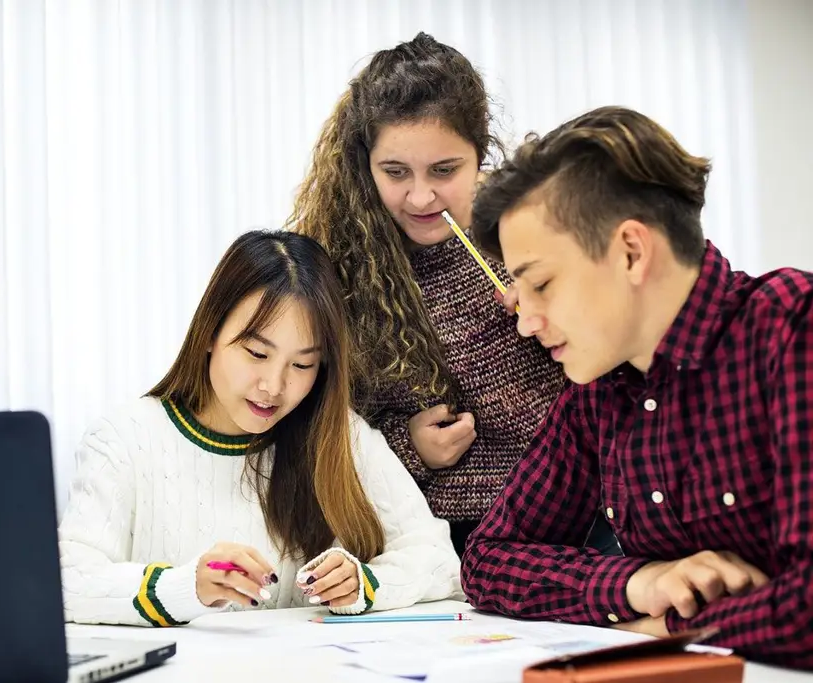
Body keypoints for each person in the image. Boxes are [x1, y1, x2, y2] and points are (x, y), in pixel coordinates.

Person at [461, 105, 813, 670]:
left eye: (542, 284)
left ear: (631, 251)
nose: (525, 321)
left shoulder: (791, 329)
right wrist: (639, 584)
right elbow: (488, 561)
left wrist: (668, 624)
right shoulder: (601, 384)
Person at [58, 230, 460, 627]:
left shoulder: (341, 436)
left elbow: (439, 559)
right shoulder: (124, 437)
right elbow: (68, 581)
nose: (273, 386)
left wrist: (367, 583)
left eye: (302, 365)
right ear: (210, 334)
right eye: (256, 353)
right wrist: (186, 587)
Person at [289, 32, 571, 555]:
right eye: (395, 173)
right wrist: (409, 446)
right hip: (437, 541)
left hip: (576, 514)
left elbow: (624, 371)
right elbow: (321, 430)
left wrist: (560, 315)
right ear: (365, 165)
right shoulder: (342, 269)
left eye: (445, 170)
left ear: (480, 153)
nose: (421, 196)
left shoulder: (536, 231)